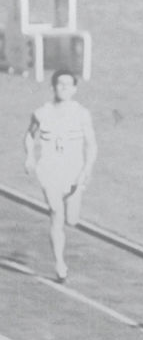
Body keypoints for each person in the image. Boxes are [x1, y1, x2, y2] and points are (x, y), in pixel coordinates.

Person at [23, 68, 97, 283]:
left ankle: (67, 224)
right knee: (56, 214)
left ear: (74, 89)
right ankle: (60, 264)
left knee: (72, 220)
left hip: (74, 171)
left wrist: (87, 170)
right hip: (49, 169)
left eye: (68, 85)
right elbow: (29, 135)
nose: (64, 88)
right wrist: (29, 156)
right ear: (53, 87)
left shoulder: (82, 114)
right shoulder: (41, 112)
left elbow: (91, 145)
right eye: (60, 84)